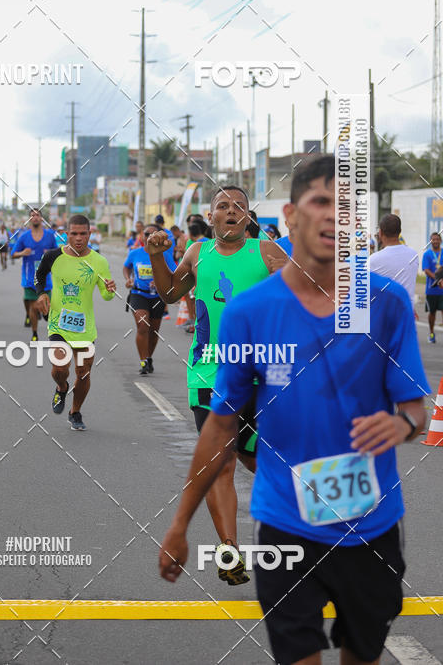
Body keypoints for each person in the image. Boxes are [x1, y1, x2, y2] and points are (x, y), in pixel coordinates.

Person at [159, 155, 429, 665]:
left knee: (362, 656)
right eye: (320, 203)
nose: (333, 217)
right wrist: (178, 525)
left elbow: (417, 406)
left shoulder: (386, 303)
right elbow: (220, 427)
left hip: (370, 526)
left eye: (345, 208)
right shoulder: (250, 311)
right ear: (292, 214)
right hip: (284, 527)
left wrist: (402, 422)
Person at [148, 185, 287, 585]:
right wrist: (158, 256)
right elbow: (171, 294)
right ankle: (230, 551)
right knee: (219, 464)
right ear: (210, 217)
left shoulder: (267, 253)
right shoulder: (196, 253)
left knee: (259, 461)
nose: (230, 211)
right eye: (222, 206)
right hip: (208, 373)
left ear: (248, 217)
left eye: (238, 207)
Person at [34, 215, 116, 431]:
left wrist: (110, 290)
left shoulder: (99, 261)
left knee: (84, 372)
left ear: (90, 234)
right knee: (60, 369)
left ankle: (75, 411)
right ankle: (61, 387)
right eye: (74, 234)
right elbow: (39, 275)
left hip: (85, 328)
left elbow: (106, 296)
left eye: (83, 234)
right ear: (66, 234)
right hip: (58, 323)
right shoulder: (53, 256)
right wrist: (41, 294)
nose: (78, 238)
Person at [124, 224, 176, 375]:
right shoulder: (135, 253)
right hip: (138, 294)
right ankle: (143, 361)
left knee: (154, 331)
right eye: (147, 234)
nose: (150, 238)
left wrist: (162, 281)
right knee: (142, 326)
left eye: (154, 234)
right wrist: (128, 279)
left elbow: (174, 272)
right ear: (142, 236)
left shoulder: (164, 254)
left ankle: (149, 357)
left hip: (158, 296)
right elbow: (126, 267)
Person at [12, 209, 57, 342]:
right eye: (32, 215)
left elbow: (58, 252)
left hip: (46, 279)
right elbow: (13, 254)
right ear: (29, 219)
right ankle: (35, 333)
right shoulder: (24, 237)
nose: (35, 217)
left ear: (42, 219)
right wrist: (22, 253)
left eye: (37, 215)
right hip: (29, 278)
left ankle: (43, 313)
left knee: (47, 308)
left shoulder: (49, 235)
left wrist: (50, 252)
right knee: (32, 306)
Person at [370, 214, 418, 319]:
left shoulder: (373, 260)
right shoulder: (414, 255)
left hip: (384, 317)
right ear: (400, 231)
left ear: (380, 232)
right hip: (407, 315)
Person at [422, 231, 443, 342]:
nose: (435, 241)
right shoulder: (427, 254)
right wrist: (438, 279)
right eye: (433, 239)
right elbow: (426, 270)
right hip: (432, 290)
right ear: (430, 241)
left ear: (440, 240)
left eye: (437, 239)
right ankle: (431, 333)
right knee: (432, 313)